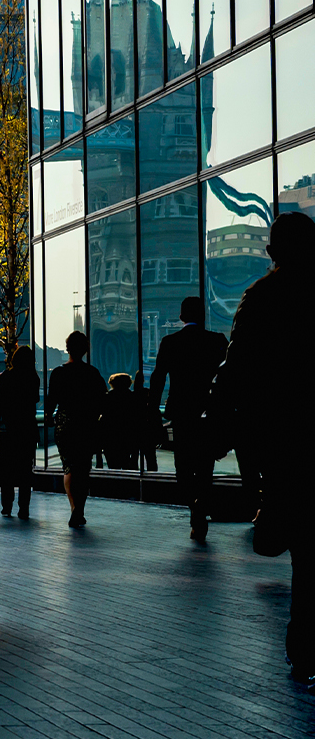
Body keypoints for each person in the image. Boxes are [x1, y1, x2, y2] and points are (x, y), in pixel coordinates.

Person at [213, 211, 315, 683]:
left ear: (272, 252)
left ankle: (305, 645)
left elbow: (236, 371)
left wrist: (220, 427)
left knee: (304, 549)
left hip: (288, 442)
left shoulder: (262, 297)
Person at [149, 296, 229, 541]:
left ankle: (195, 508)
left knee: (183, 468)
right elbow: (228, 377)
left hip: (182, 414)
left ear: (181, 317)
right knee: (205, 467)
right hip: (209, 413)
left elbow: (158, 377)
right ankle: (201, 508)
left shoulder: (170, 342)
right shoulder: (218, 341)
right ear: (203, 315)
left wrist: (154, 408)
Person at [44, 331, 104, 528]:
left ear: (67, 348)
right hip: (86, 424)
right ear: (85, 350)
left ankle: (74, 507)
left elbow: (51, 400)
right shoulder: (92, 373)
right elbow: (101, 401)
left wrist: (49, 417)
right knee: (84, 467)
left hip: (65, 424)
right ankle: (81, 509)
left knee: (69, 467)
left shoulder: (59, 373)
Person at [0, 346, 40, 518]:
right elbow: (34, 400)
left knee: (7, 469)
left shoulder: (4, 377)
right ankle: (24, 507)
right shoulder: (33, 378)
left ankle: (6, 505)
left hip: (7, 429)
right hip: (27, 428)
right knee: (26, 469)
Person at [99, 374, 141, 472]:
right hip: (128, 434)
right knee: (127, 461)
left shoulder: (107, 398)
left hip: (110, 435)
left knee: (112, 464)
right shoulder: (133, 397)